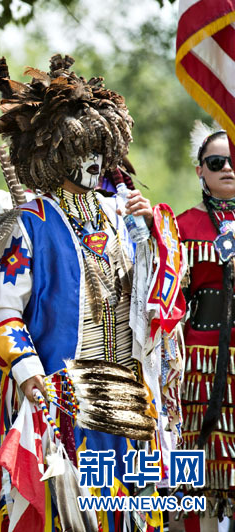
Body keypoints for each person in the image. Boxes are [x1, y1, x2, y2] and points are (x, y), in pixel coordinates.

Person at [0, 55, 185, 532]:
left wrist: (151, 233)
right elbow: (2, 314)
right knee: (71, 517)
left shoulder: (123, 216)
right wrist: (31, 377)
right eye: (80, 150)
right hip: (67, 399)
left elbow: (158, 301)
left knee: (133, 517)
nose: (93, 162)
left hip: (131, 395)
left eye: (99, 149)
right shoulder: (33, 223)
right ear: (54, 155)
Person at [176, 122, 235, 531]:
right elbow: (171, 301)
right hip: (199, 359)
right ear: (200, 170)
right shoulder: (181, 226)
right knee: (196, 465)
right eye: (217, 162)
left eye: (233, 162)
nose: (227, 169)